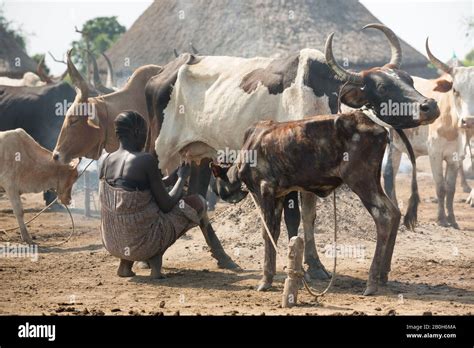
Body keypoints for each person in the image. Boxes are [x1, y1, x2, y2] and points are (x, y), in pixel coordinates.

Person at [99, 110, 206, 279]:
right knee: (197, 203)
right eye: (145, 133)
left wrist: (169, 179)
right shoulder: (145, 160)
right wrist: (181, 179)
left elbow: (130, 189)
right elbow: (167, 204)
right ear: (137, 132)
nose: (146, 138)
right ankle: (155, 263)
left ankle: (125, 266)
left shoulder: (105, 160)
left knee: (130, 211)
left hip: (112, 242)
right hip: (143, 244)